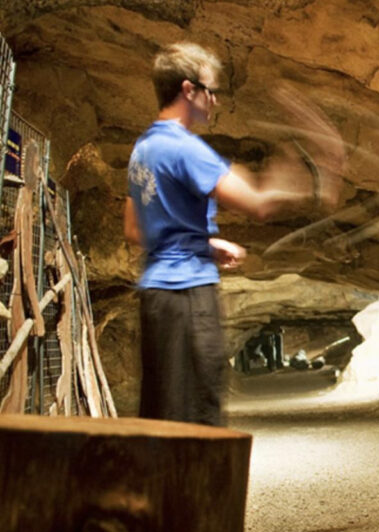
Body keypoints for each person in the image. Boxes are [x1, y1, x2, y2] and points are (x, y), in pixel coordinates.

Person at [125, 42, 342, 425]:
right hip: (188, 294)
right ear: (188, 90)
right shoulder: (185, 149)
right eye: (211, 91)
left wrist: (205, 244)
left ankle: (160, 484)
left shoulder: (144, 148)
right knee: (200, 410)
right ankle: (195, 486)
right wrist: (315, 174)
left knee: (165, 409)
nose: (216, 102)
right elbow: (257, 201)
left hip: (157, 296)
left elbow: (134, 229)